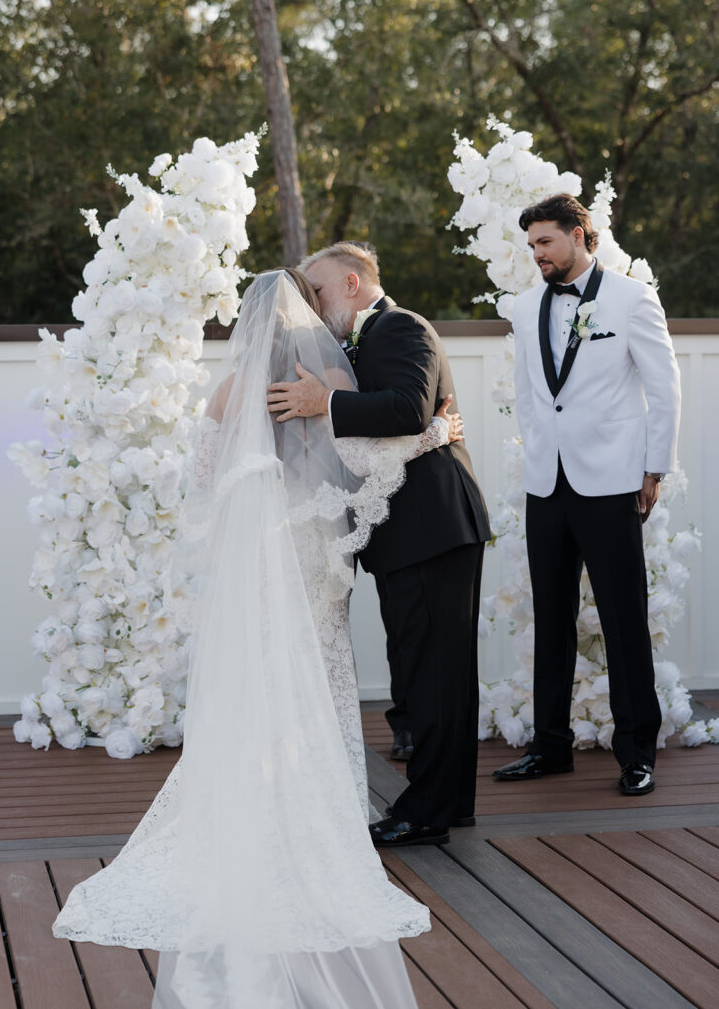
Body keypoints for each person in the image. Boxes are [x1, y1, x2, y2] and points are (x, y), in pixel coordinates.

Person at [53, 268, 472, 1008]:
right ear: (305, 321)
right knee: (315, 683)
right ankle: (314, 822)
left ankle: (249, 813)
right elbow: (368, 472)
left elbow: (204, 481)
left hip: (256, 562)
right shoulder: (322, 377)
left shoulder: (230, 391)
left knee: (260, 684)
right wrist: (438, 431)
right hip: (309, 561)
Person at [266, 243, 490, 848]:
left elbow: (410, 408)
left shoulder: (400, 325)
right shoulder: (357, 344)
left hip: (430, 526)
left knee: (431, 672)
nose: (311, 305)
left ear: (352, 280)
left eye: (317, 291)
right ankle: (450, 801)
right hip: (414, 531)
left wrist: (327, 402)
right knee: (433, 670)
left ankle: (425, 811)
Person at [493, 194, 681, 796]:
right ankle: (550, 748)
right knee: (552, 618)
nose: (537, 255)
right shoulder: (524, 308)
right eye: (531, 246)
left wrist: (655, 470)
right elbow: (530, 391)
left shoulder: (630, 297)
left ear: (579, 234)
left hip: (612, 482)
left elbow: (665, 385)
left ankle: (637, 754)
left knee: (624, 619)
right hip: (547, 482)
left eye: (545, 242)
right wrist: (535, 455)